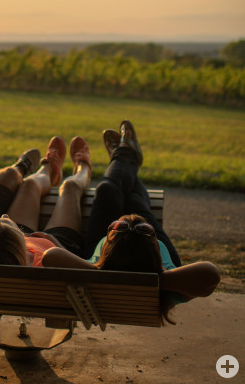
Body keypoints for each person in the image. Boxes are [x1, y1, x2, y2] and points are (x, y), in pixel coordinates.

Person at [42, 120, 221, 324]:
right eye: (144, 229)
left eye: (119, 227)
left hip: (102, 260)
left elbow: (51, 257)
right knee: (132, 200)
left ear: (108, 241)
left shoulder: (99, 269)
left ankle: (124, 156)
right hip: (155, 271)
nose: (129, 221)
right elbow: (210, 274)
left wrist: (101, 272)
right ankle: (125, 155)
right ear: (154, 244)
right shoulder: (174, 287)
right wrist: (154, 279)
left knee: (108, 191)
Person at [0, 134, 92, 266]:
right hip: (60, 245)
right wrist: (57, 245)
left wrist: (7, 233)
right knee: (70, 187)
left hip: (2, 244)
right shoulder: (51, 260)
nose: (4, 215)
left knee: (29, 184)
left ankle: (48, 169)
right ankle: (84, 168)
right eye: (5, 219)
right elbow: (89, 270)